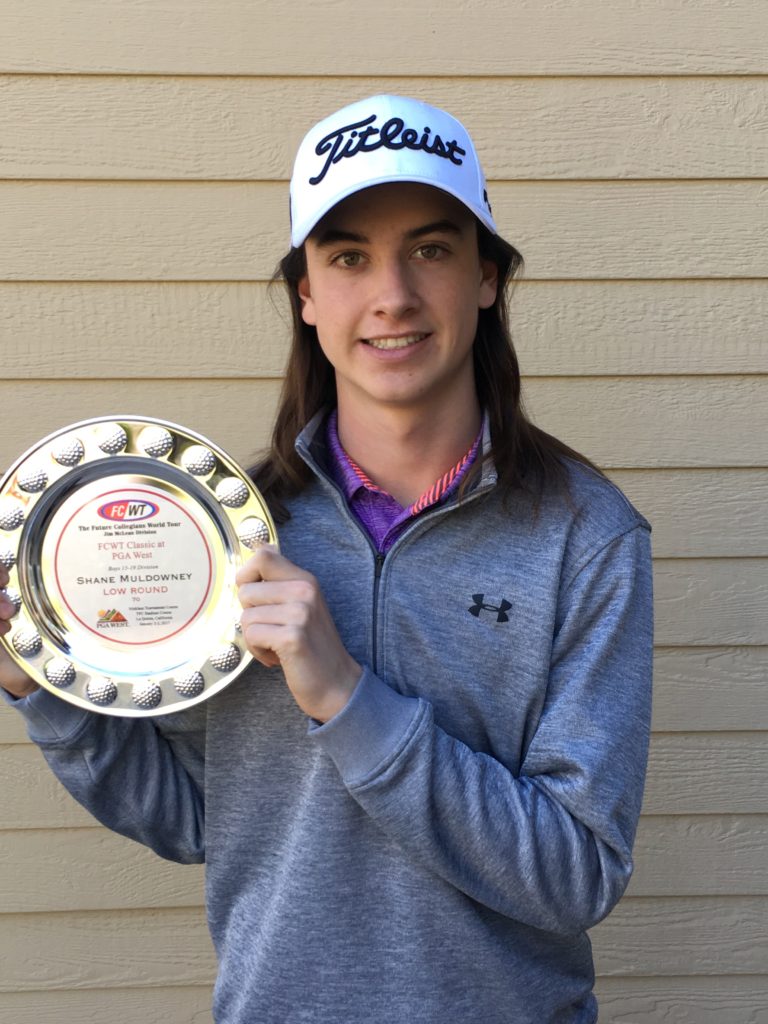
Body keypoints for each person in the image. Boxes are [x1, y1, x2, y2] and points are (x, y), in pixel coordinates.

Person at [0, 95, 653, 1023]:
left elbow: (578, 873)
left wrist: (347, 698)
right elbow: (203, 822)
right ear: (306, 294)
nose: (392, 295)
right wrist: (39, 685)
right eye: (348, 257)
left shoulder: (586, 537)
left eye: (431, 249)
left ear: (486, 279)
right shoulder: (228, 534)